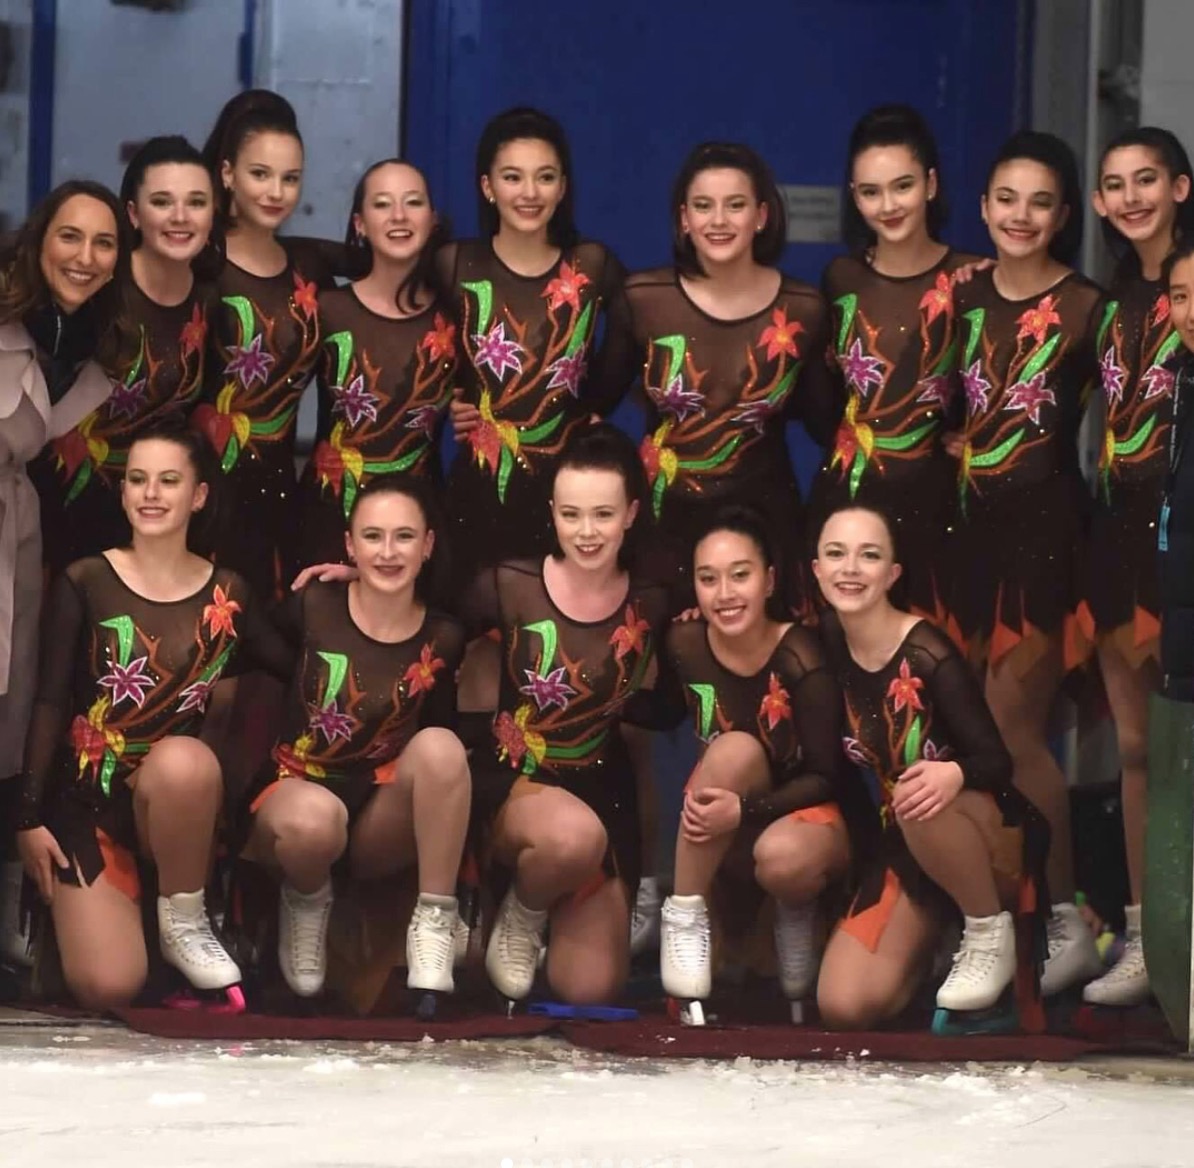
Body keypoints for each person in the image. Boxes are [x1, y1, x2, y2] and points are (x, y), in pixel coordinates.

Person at [14, 425, 288, 1010]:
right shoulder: (85, 580)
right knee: (108, 986)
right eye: (137, 480)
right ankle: (125, 925)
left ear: (199, 495)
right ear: (122, 493)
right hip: (90, 803)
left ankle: (186, 920)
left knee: (185, 760)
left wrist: (351, 590)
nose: (151, 494)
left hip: (177, 803)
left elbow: (302, 666)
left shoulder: (229, 594)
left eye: (168, 480)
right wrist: (27, 816)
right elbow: (49, 700)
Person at [944, 131, 1104, 996]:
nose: (1021, 215)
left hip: (1045, 538)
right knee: (963, 731)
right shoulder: (961, 293)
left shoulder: (1087, 306)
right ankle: (990, 916)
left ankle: (1069, 917)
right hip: (964, 536)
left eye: (1041, 202)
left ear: (1065, 214)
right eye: (1007, 199)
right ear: (982, 206)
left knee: (1014, 731)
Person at [623, 504, 873, 1013]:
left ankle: (797, 911)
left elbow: (826, 776)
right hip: (726, 829)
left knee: (782, 858)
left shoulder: (800, 656)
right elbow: (667, 712)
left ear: (769, 580)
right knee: (732, 751)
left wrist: (746, 811)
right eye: (708, 579)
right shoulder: (685, 641)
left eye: (740, 575)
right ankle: (685, 918)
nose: (725, 594)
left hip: (803, 826)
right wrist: (597, 694)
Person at [812, 503, 1048, 1029]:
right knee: (844, 1005)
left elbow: (996, 762)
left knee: (918, 792)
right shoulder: (823, 642)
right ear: (817, 570)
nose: (850, 569)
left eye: (869, 556)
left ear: (892, 573)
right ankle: (935, 946)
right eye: (837, 554)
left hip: (980, 832)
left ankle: (987, 931)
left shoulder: (926, 650)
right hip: (907, 843)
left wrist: (954, 773)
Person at [463, 424, 670, 1006]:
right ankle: (521, 913)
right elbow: (426, 627)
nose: (586, 532)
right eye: (572, 514)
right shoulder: (508, 584)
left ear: (630, 514)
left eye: (603, 515)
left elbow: (673, 700)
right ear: (552, 512)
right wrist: (357, 586)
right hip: (513, 782)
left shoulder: (654, 600)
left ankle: (541, 903)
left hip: (601, 789)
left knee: (589, 988)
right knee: (569, 839)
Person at [243, 475, 469, 1001]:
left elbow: (445, 737)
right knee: (313, 821)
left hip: (375, 812)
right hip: (295, 798)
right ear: (349, 545)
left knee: (442, 747)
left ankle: (434, 922)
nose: (388, 552)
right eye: (372, 537)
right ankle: (306, 898)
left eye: (404, 537)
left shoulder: (444, 635)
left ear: (428, 545)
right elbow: (248, 649)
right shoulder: (314, 604)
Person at [606, 141, 837, 617]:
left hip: (764, 525)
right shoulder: (643, 299)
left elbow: (828, 423)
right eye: (703, 206)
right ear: (683, 218)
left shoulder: (803, 308)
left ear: (762, 216)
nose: (718, 221)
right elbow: (591, 402)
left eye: (735, 205)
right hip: (665, 527)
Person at [1074, 129, 1194, 1006]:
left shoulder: (1188, 287)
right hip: (1118, 534)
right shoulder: (1107, 298)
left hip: (1180, 531)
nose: (1130, 198)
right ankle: (1148, 937)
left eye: (1146, 179)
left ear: (1181, 187)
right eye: (1114, 184)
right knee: (1135, 747)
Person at [442, 107, 628, 610]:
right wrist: (448, 401)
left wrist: (594, 410)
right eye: (512, 177)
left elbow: (640, 332)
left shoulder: (591, 265)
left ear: (562, 187)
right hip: (477, 490)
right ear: (487, 186)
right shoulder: (455, 264)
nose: (529, 192)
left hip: (566, 496)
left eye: (544, 177)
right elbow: (408, 339)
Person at [808, 105, 981, 623]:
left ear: (931, 184)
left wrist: (975, 433)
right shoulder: (840, 278)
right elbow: (819, 397)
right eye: (870, 192)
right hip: (847, 495)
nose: (887, 205)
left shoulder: (972, 279)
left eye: (902, 186)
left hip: (936, 505)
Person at [0, 180, 136, 786]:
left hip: (19, 529)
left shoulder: (93, 344)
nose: (85, 257)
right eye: (70, 237)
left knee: (13, 696)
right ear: (39, 243)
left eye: (104, 243)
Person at [31, 137, 218, 576]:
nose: (180, 216)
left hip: (149, 523)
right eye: (161, 201)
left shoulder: (211, 299)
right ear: (133, 214)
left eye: (196, 202)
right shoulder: (95, 282)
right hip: (54, 515)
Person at [196, 92, 340, 599]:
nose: (276, 192)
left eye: (290, 178)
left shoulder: (309, 267)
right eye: (260, 174)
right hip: (202, 492)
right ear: (227, 173)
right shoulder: (200, 265)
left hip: (281, 490)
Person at [295, 159, 456, 567]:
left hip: (418, 526)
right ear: (360, 224)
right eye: (382, 204)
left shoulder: (454, 318)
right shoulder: (327, 310)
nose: (399, 215)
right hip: (329, 520)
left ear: (432, 220)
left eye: (413, 202)